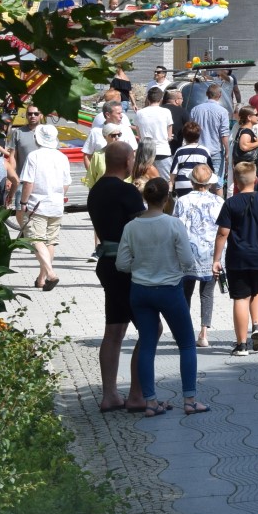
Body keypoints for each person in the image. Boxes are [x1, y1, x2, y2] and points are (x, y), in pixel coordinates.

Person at [117, 177, 206, 416]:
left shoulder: (131, 226)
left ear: (145, 197)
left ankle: (150, 402)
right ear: (167, 198)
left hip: (140, 290)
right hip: (169, 289)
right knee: (186, 344)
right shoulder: (173, 224)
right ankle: (189, 400)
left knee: (147, 344)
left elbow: (122, 263)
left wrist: (141, 266)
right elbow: (188, 261)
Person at [87, 142, 150, 412]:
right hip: (128, 267)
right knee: (151, 330)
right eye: (133, 156)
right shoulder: (127, 192)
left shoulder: (95, 190)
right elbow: (144, 228)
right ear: (126, 161)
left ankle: (110, 394)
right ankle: (137, 395)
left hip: (106, 263)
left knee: (114, 329)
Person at [212, 162, 258, 355]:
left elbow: (222, 234)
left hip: (237, 258)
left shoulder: (230, 203)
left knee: (240, 298)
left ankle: (241, 344)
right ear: (256, 179)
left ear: (235, 181)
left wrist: (216, 259)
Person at [17, 123, 70, 291]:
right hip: (56, 204)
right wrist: (59, 197)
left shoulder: (34, 156)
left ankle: (51, 274)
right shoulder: (62, 156)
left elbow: (28, 183)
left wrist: (23, 202)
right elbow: (66, 184)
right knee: (50, 242)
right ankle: (42, 278)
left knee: (36, 240)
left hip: (37, 204)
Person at [177, 164, 223, 348]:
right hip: (212, 254)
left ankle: (184, 331)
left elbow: (177, 227)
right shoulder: (219, 202)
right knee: (207, 293)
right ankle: (204, 333)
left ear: (191, 181)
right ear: (210, 183)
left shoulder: (183, 201)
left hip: (188, 252)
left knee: (185, 292)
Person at [189, 83, 232, 182]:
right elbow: (224, 134)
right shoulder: (223, 111)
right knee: (217, 183)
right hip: (215, 151)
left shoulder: (195, 110)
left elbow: (190, 130)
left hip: (198, 150)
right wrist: (228, 151)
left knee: (198, 181)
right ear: (220, 95)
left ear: (206, 94)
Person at [135, 87, 175, 178]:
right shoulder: (166, 112)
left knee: (144, 179)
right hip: (162, 149)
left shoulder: (140, 113)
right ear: (161, 99)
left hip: (145, 151)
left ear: (148, 99)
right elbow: (169, 132)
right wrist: (169, 138)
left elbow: (139, 134)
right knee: (165, 179)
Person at [168, 120, 214, 198]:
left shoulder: (179, 151)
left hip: (182, 185)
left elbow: (173, 172)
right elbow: (211, 170)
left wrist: (171, 186)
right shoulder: (204, 151)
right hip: (200, 183)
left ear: (184, 136)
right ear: (198, 136)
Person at [231, 105, 258, 184]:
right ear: (249, 117)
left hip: (249, 170)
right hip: (248, 172)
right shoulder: (246, 132)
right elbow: (244, 146)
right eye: (256, 114)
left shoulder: (246, 130)